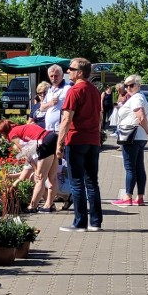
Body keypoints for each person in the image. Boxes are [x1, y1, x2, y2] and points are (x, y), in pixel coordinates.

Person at [56, 58, 104, 229]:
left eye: (71, 68)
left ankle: (80, 222)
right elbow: (99, 116)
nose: (68, 71)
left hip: (76, 140)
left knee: (77, 182)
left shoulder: (74, 90)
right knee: (92, 182)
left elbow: (66, 119)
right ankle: (96, 222)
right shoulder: (94, 90)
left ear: (80, 72)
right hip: (93, 140)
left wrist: (59, 144)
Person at [0, 119, 58, 212]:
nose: (2, 136)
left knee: (40, 177)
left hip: (45, 142)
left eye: (1, 133)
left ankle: (32, 207)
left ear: (4, 132)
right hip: (53, 137)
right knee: (52, 177)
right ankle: (49, 205)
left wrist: (35, 167)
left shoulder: (12, 134)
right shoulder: (21, 128)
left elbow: (25, 152)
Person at [112, 75, 148, 206]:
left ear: (138, 85)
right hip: (139, 137)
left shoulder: (136, 98)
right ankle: (139, 197)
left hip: (131, 136)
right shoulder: (139, 97)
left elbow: (141, 117)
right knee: (139, 167)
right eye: (126, 85)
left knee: (130, 167)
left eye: (131, 85)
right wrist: (147, 130)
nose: (128, 88)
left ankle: (128, 197)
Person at [41, 64, 68, 134]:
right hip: (48, 128)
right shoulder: (50, 89)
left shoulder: (68, 88)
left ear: (62, 76)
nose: (53, 78)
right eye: (51, 76)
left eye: (56, 76)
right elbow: (42, 108)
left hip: (60, 129)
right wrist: (50, 103)